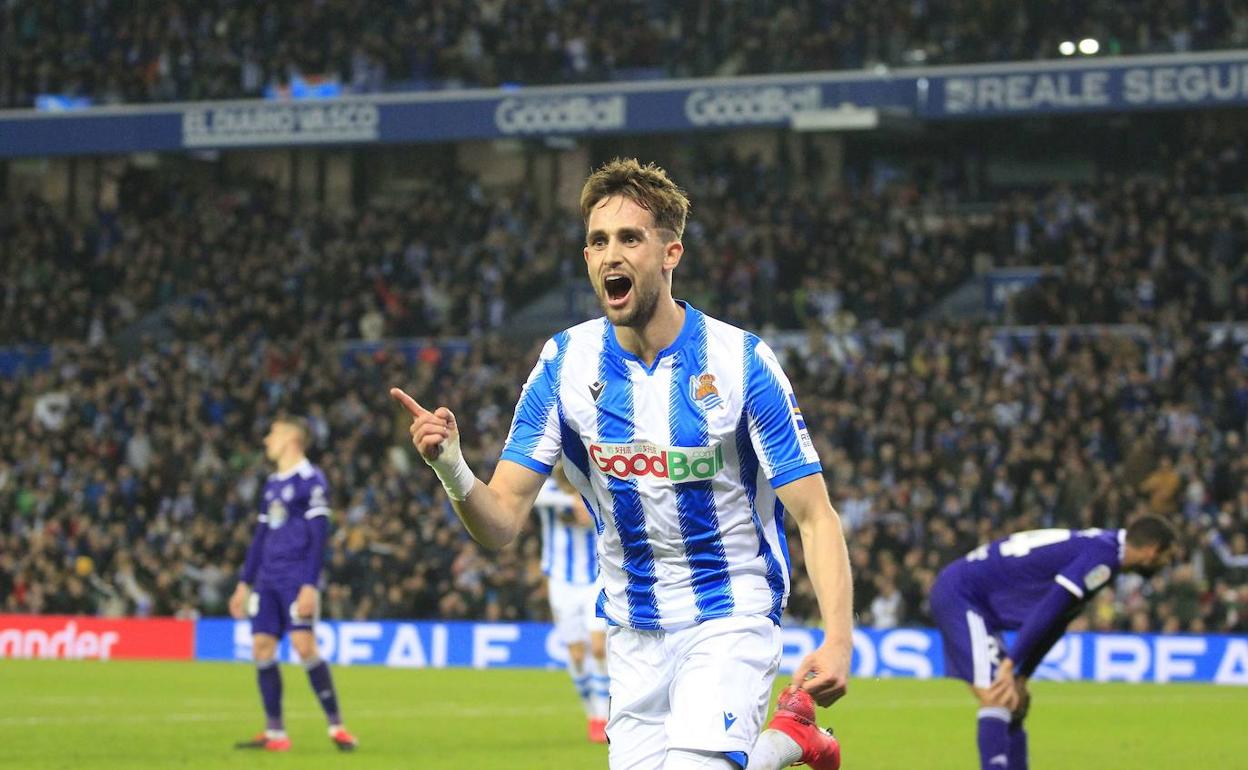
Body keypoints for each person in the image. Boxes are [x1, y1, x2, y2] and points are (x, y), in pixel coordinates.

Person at [391, 158, 851, 770]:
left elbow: (815, 516)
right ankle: (790, 739)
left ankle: (782, 739)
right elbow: (500, 521)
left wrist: (838, 639)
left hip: (730, 611)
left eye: (630, 238)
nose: (611, 254)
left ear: (670, 253)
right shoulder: (564, 365)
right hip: (633, 630)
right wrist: (451, 466)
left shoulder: (741, 362)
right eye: (598, 241)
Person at [929, 517, 1177, 770]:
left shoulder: (1106, 548)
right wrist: (1010, 664)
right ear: (1152, 550)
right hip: (961, 595)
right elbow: (1050, 608)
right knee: (998, 696)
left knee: (1015, 703)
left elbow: (1057, 621)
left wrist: (1022, 675)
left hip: (977, 597)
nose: (1167, 563)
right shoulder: (1103, 557)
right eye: (1167, 556)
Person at [228, 417, 358, 752]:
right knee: (261, 648)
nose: (266, 440)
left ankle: (337, 727)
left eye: (273, 433)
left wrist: (310, 585)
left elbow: (318, 538)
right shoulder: (272, 483)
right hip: (267, 579)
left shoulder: (311, 480)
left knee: (303, 645)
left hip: (296, 578)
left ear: (291, 438)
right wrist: (244, 583)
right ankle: (275, 733)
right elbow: (260, 536)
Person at [535, 463, 610, 742]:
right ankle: (591, 712)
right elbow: (534, 498)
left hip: (595, 578)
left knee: (599, 648)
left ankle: (603, 715)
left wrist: (586, 508)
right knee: (577, 655)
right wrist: (572, 501)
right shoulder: (548, 491)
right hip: (561, 582)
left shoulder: (595, 490)